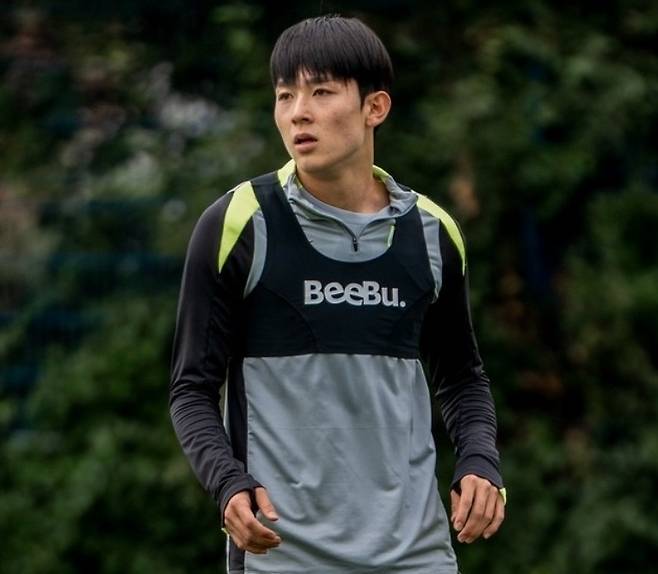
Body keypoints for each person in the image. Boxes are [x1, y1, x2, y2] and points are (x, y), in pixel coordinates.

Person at [169, 15, 505, 574]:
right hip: (282, 557)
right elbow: (190, 389)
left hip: (416, 557)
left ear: (375, 107)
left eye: (321, 92)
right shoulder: (239, 224)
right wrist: (227, 485)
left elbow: (463, 378)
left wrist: (479, 461)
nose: (298, 112)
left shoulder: (432, 233)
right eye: (285, 95)